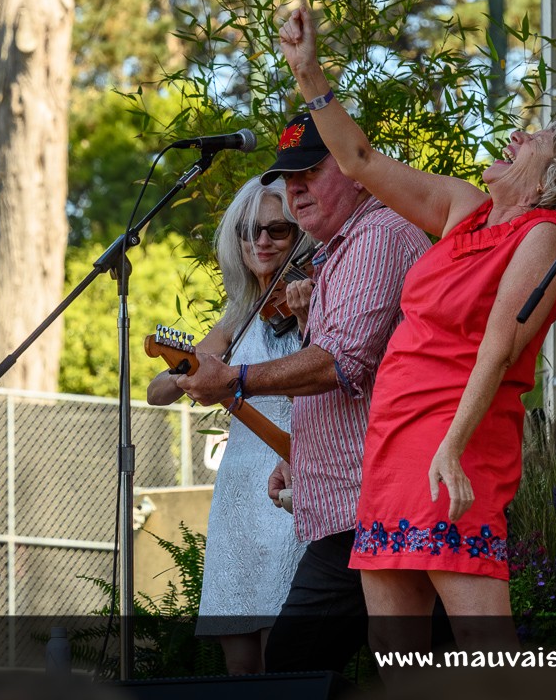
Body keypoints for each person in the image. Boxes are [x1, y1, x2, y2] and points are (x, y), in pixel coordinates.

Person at [277, 6, 556, 662]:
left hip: (452, 443)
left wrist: (452, 448)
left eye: (534, 140)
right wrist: (308, 73)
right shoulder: (467, 209)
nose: (518, 137)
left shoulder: (542, 235)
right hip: (395, 441)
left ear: (550, 180)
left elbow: (499, 345)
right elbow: (361, 159)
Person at [176, 114, 431, 673]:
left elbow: (341, 362)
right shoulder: (340, 248)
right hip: (349, 501)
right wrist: (305, 461)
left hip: (374, 500)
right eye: (289, 177)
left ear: (358, 171)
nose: (294, 190)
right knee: (361, 663)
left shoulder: (377, 236)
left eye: (310, 172)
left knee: (319, 663)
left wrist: (237, 379)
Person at [147, 176, 308, 675]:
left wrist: (307, 320)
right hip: (237, 485)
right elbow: (156, 392)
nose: (260, 242)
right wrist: (187, 371)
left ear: (300, 235)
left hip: (289, 475)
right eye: (248, 231)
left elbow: (331, 375)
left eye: (276, 230)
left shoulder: (314, 297)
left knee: (281, 648)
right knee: (237, 656)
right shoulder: (237, 319)